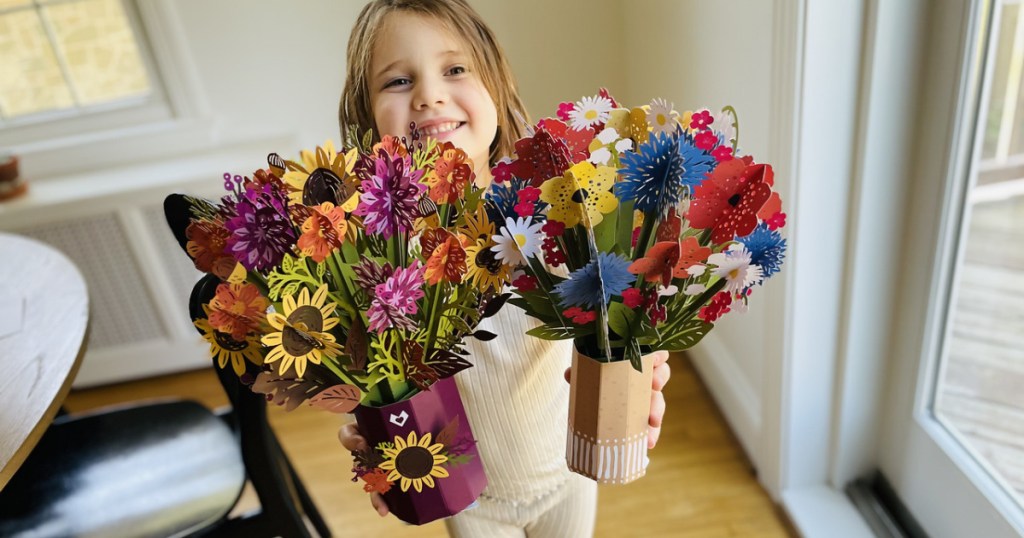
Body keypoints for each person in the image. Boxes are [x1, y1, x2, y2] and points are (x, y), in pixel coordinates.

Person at [335, 1, 671, 536]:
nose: (428, 95)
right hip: (470, 498)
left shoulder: (559, 214)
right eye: (398, 80)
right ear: (367, 116)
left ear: (496, 86)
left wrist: (646, 362)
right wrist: (368, 425)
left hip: (569, 470)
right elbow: (372, 375)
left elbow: (618, 319)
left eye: (455, 69)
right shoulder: (380, 259)